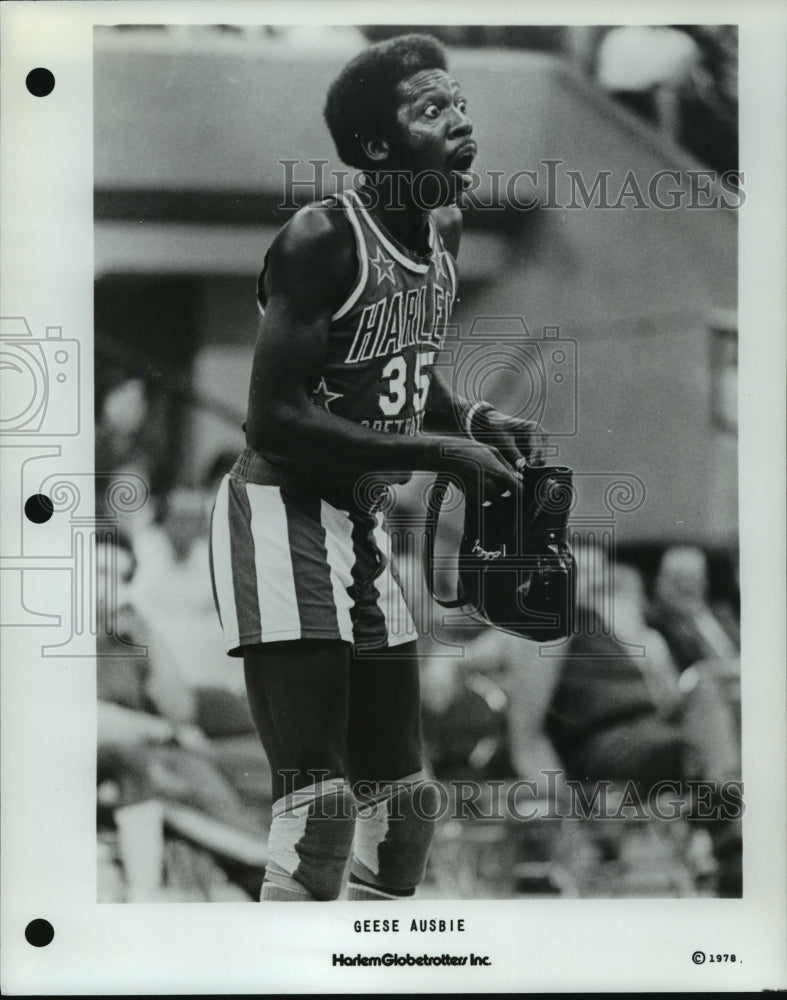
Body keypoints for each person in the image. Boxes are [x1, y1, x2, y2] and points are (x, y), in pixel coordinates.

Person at [209, 33, 546, 902]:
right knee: (318, 813)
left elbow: (398, 365)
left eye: (459, 102)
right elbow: (274, 417)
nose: (460, 120)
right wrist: (439, 453)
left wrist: (465, 416)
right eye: (430, 109)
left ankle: (364, 966)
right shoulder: (320, 237)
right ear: (375, 148)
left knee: (404, 816)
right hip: (280, 513)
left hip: (355, 525)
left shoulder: (444, 228)